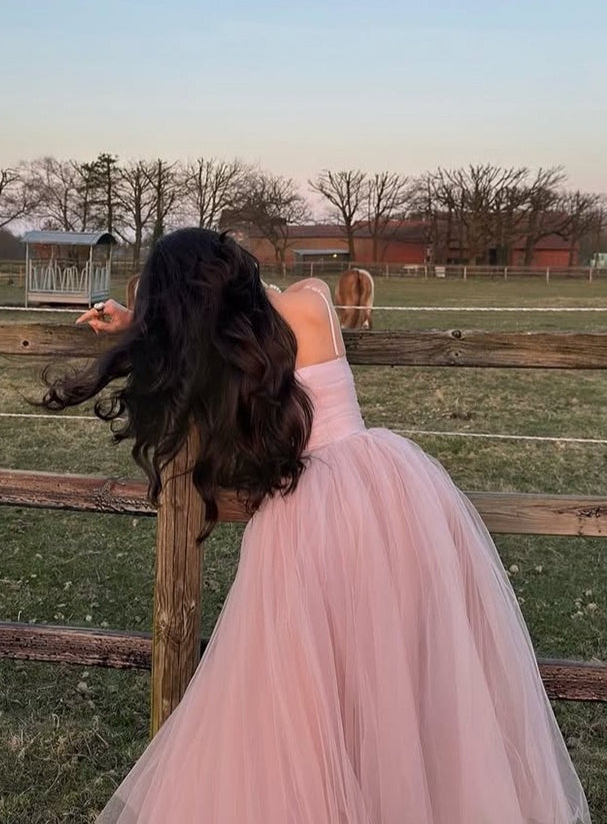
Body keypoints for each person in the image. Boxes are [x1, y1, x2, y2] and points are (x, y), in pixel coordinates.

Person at [43, 228, 591, 824]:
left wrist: (140, 326)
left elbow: (192, 337)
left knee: (308, 687)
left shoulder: (213, 352)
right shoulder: (310, 302)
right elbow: (269, 301)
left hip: (304, 514)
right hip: (390, 492)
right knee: (409, 662)